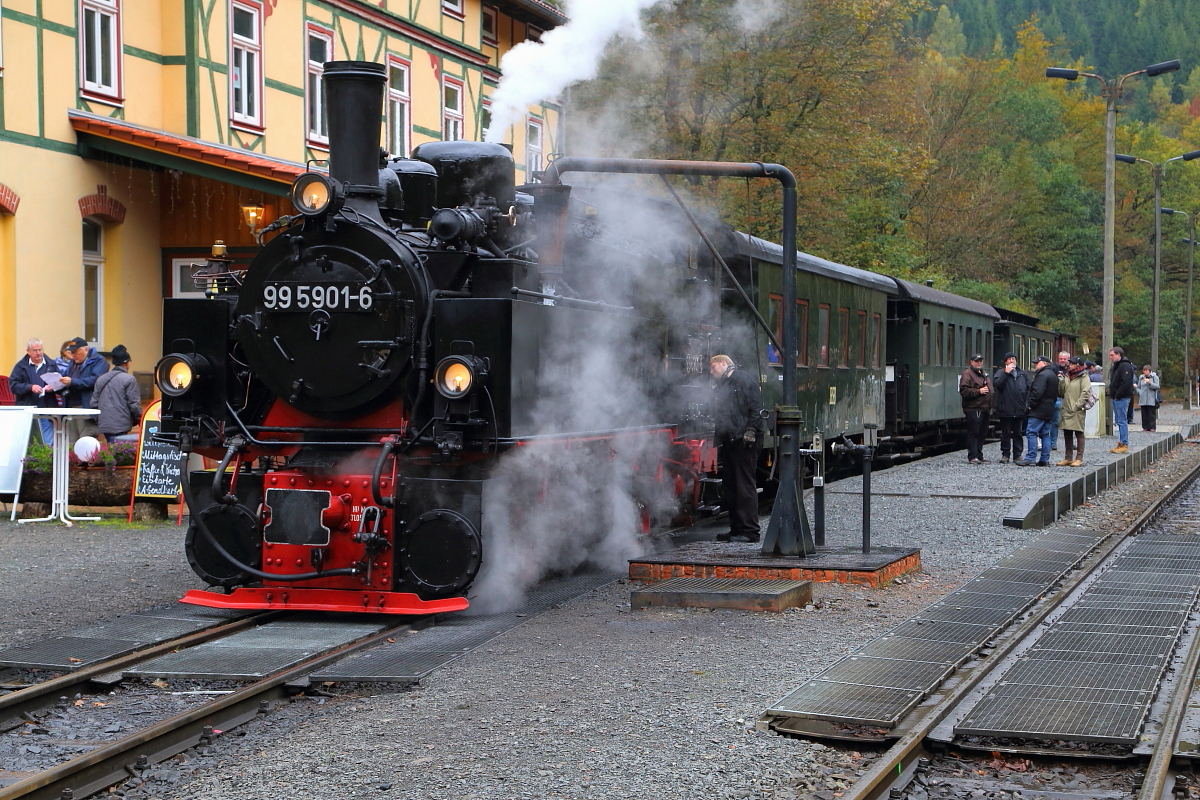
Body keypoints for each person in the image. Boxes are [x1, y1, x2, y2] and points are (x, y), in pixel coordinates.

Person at [709, 354, 764, 543]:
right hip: (731, 439)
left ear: (724, 363)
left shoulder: (742, 378)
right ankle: (736, 529)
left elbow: (756, 407)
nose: (711, 371)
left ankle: (750, 532)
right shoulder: (723, 385)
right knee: (731, 486)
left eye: (713, 366)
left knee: (744, 485)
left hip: (744, 439)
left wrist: (751, 430)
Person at [60, 336, 108, 441]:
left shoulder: (99, 361)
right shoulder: (73, 363)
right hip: (70, 407)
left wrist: (72, 382)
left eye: (76, 352)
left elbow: (95, 380)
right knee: (71, 442)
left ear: (85, 349)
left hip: (86, 408)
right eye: (71, 353)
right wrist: (57, 385)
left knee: (85, 442)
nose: (73, 356)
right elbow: (66, 378)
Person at [91, 344, 142, 442]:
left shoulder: (101, 379)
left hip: (104, 424)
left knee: (110, 449)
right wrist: (139, 419)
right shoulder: (129, 379)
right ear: (127, 363)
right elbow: (134, 404)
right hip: (121, 425)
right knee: (119, 452)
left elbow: (94, 403)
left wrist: (100, 420)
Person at [9, 338, 56, 442]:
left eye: (40, 349)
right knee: (27, 441)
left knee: (47, 442)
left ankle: (47, 457)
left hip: (46, 409)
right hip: (27, 409)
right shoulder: (20, 366)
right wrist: (29, 387)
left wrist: (53, 387)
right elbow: (13, 385)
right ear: (28, 351)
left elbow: (60, 383)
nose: (38, 353)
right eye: (35, 350)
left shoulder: (51, 365)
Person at [1020, 354, 1058, 466]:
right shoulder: (1052, 375)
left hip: (1038, 409)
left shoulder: (1042, 375)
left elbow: (1037, 392)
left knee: (1031, 432)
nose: (1035, 365)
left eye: (1037, 363)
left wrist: (1030, 405)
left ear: (1044, 363)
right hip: (1049, 408)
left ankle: (1030, 457)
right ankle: (1044, 459)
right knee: (1045, 434)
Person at [992, 352, 1028, 464]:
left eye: (1013, 359)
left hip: (1019, 408)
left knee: (1018, 433)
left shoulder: (1022, 373)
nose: (1012, 361)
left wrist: (1026, 404)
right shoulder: (1000, 372)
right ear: (1005, 362)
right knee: (1005, 433)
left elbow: (1028, 388)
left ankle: (1017, 454)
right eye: (1009, 359)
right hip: (1005, 408)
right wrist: (1006, 374)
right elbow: (997, 384)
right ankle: (1005, 454)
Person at [959, 353, 993, 464]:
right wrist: (978, 391)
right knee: (974, 432)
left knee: (982, 433)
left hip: (984, 408)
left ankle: (979, 455)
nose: (979, 363)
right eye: (977, 361)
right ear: (971, 362)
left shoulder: (983, 373)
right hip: (974, 408)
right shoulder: (967, 374)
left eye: (980, 361)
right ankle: (972, 456)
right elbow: (964, 390)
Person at [1057, 356, 1090, 467]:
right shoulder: (1067, 376)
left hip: (1076, 410)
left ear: (1078, 365)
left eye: (1072, 363)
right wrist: (1061, 382)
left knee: (1079, 432)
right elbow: (1062, 393)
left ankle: (1079, 458)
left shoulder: (1083, 376)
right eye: (1070, 363)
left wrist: (1077, 405)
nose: (1069, 365)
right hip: (1066, 408)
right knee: (1067, 432)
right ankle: (1068, 457)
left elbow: (1085, 392)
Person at [1108, 347, 1135, 453]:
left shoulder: (1125, 366)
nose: (1110, 357)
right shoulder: (1118, 366)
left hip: (1121, 397)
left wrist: (1118, 394)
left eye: (1112, 355)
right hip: (1116, 396)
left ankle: (1124, 443)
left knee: (1122, 420)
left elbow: (1126, 382)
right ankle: (1121, 442)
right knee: (1119, 420)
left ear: (1118, 354)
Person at [1047, 351, 1069, 451]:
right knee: (1054, 422)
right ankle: (1053, 443)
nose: (1062, 361)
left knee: (1069, 422)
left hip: (1068, 399)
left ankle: (1069, 443)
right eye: (1061, 359)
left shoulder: (1071, 370)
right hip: (1057, 397)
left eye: (1064, 359)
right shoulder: (1053, 369)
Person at [1136, 364, 1160, 432]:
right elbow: (1138, 387)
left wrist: (1150, 383)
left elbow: (1157, 387)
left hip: (1151, 398)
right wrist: (1140, 392)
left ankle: (1152, 427)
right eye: (1144, 370)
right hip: (1143, 398)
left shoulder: (1154, 377)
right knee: (1144, 414)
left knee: (1151, 414)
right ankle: (1145, 427)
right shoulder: (1141, 378)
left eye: (1146, 370)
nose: (1145, 372)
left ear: (1149, 371)